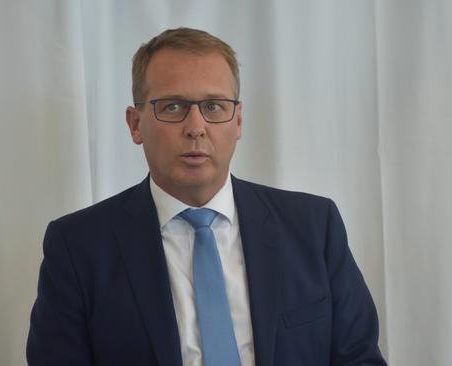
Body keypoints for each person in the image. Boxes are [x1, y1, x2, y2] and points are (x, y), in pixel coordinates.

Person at [27, 27, 387, 366]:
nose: (196, 128)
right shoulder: (77, 246)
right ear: (136, 124)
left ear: (239, 121)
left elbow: (359, 358)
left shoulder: (313, 227)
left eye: (214, 106)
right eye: (172, 107)